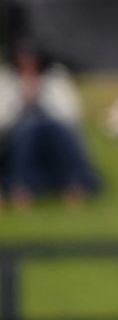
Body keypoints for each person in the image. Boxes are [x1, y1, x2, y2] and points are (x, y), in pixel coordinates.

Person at [0, 41, 100, 209]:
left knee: (50, 127)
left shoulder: (55, 78)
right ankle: (19, 188)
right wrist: (21, 100)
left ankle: (76, 185)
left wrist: (40, 95)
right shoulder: (6, 79)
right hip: (15, 139)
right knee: (29, 128)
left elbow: (71, 115)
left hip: (53, 136)